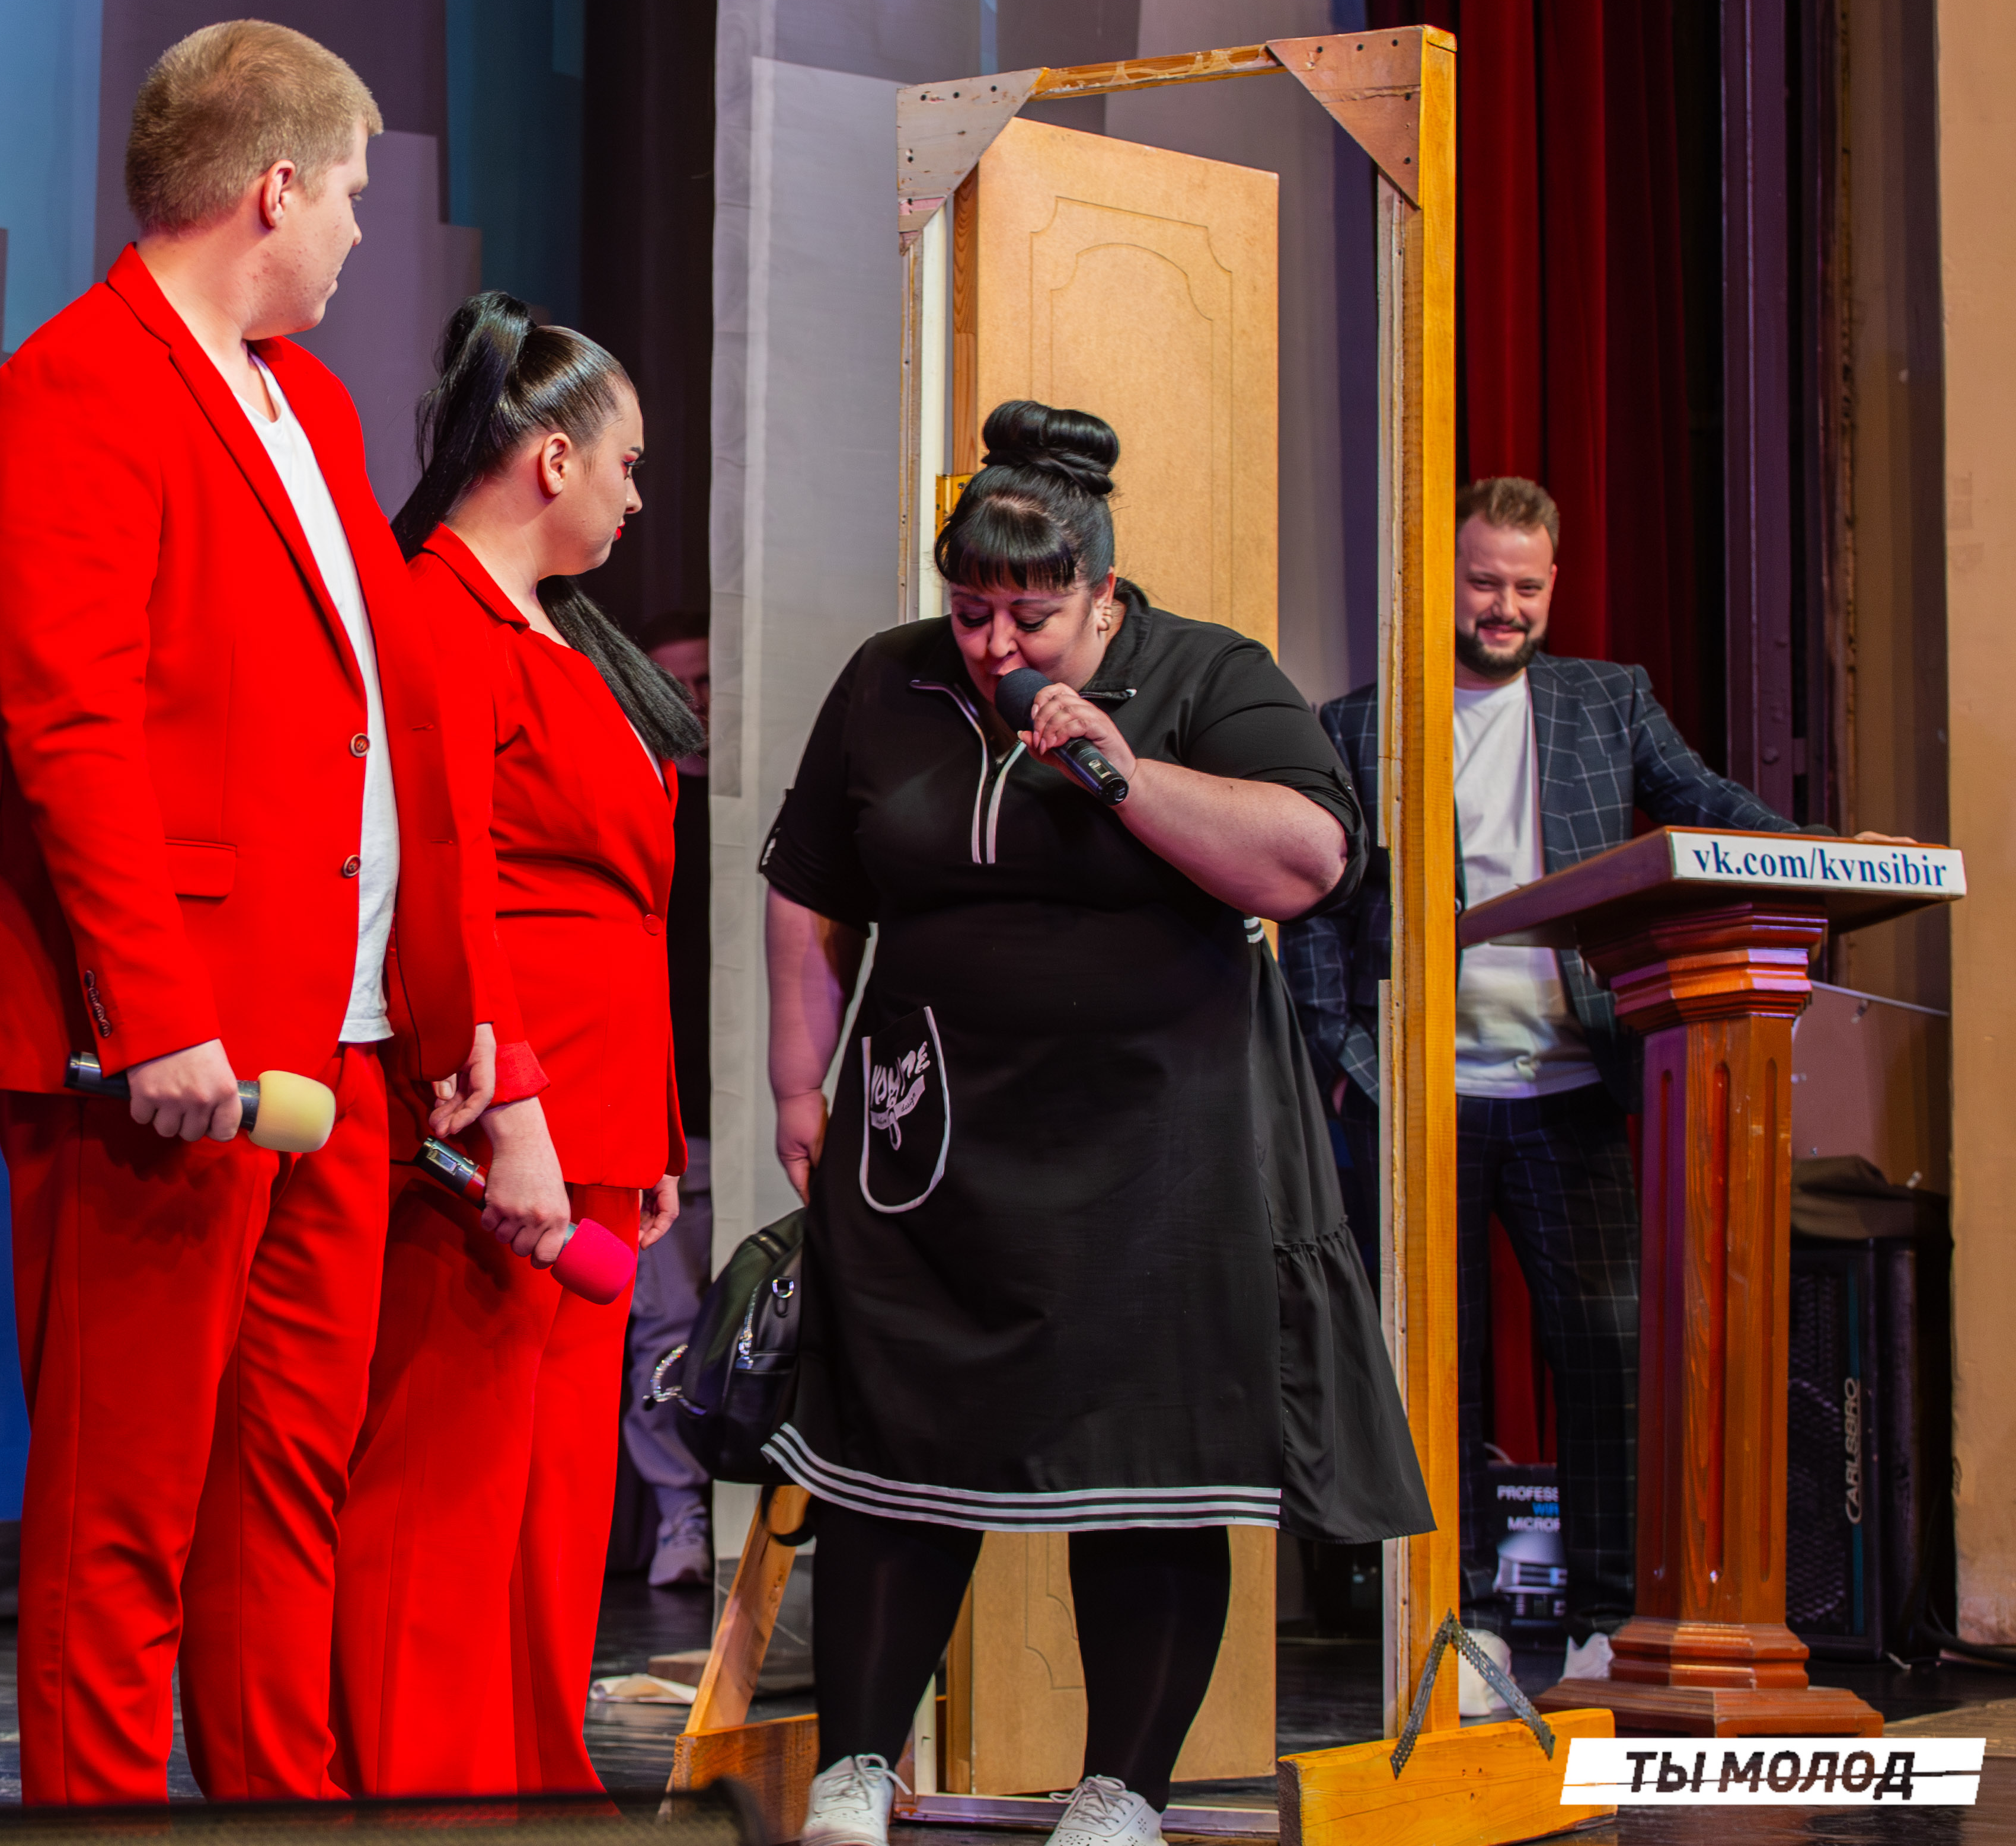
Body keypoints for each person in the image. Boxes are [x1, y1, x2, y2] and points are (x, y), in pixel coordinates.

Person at [0, 20, 499, 1803]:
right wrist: (154, 1008)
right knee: (122, 1516)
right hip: (168, 1056)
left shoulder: (311, 404)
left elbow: (379, 718)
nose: (357, 233)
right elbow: (72, 730)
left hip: (333, 1047)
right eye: (350, 196)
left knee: (283, 1500)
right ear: (275, 188)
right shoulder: (73, 388)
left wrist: (444, 1010)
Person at [763, 402, 1429, 1846]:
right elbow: (812, 885)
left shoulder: (1205, 673)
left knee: (1148, 1472)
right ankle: (856, 1767)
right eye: (971, 611)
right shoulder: (889, 679)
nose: (995, 644)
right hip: (932, 1137)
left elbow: (1310, 861)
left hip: (1156, 1151)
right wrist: (796, 1084)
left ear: (1104, 591)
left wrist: (1118, 769)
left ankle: (1124, 1789)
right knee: (897, 1452)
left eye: (1032, 617)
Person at [1284, 475, 1794, 1693]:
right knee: (1435, 1374)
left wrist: (1814, 854)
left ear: (1553, 585)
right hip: (1422, 1104)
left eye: (1525, 585)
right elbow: (1317, 912)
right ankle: (1460, 1626)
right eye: (1483, 582)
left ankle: (1608, 1620)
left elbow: (1707, 808)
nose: (1503, 607)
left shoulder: (1608, 701)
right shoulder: (1359, 724)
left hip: (1574, 1087)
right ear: (1443, 582)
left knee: (1610, 1355)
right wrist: (1349, 1067)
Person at [330, 295, 698, 1794]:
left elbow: (628, 907)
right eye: (627, 462)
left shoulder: (562, 631)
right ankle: (422, 1790)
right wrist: (514, 1115)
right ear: (553, 459)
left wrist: (651, 1128)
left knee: (553, 1493)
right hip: (500, 1115)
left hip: (598, 1117)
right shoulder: (436, 611)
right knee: (448, 1474)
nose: (635, 494)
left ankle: (536, 1785)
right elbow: (450, 882)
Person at [624, 605, 716, 1587]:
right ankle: (681, 1516)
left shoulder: (761, 804)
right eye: (675, 683)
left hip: (755, 1106)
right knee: (667, 1323)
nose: (694, 703)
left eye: (709, 682)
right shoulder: (635, 797)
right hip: (667, 1110)